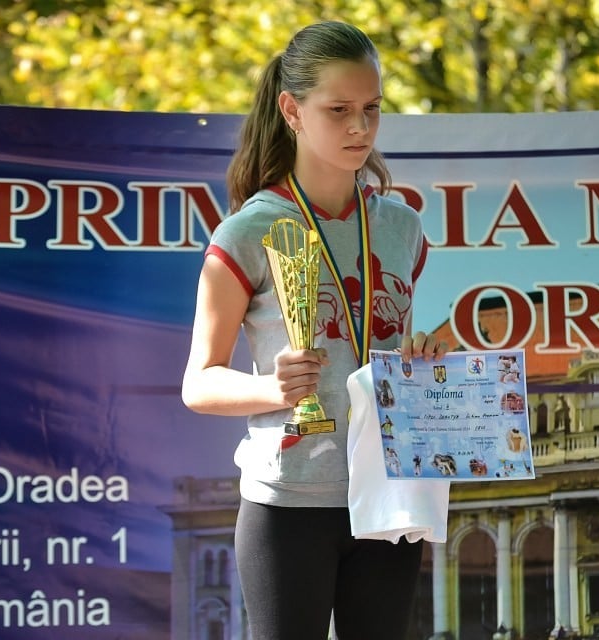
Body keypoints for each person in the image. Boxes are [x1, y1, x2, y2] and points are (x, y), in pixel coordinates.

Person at [181, 20, 448, 640]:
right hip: (289, 502)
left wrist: (422, 360)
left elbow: (384, 352)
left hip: (389, 498)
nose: (360, 128)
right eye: (339, 111)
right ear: (291, 110)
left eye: (372, 110)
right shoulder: (246, 234)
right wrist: (274, 391)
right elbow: (199, 384)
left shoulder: (401, 227)